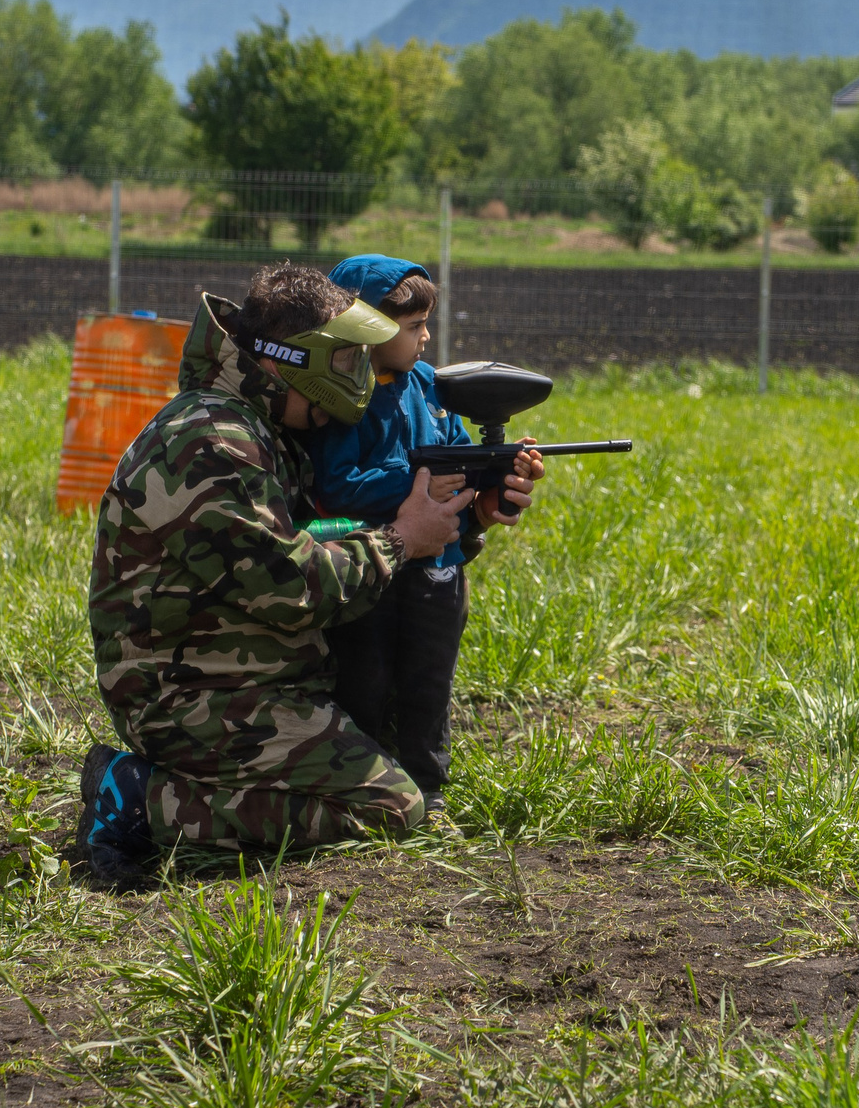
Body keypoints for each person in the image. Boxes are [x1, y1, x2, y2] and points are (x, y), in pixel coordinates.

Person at [74, 263, 541, 886]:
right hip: (191, 698)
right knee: (389, 808)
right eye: (347, 358)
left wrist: (465, 518)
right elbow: (292, 587)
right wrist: (404, 538)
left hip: (253, 676)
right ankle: (140, 798)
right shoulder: (212, 442)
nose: (359, 376)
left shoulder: (264, 426)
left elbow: (330, 536)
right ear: (284, 362)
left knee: (396, 777)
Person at [310, 255, 475, 810]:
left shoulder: (427, 384)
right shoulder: (342, 396)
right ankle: (366, 783)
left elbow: (458, 451)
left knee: (430, 681)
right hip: (371, 564)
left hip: (438, 566)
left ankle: (428, 789)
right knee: (367, 677)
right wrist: (415, 480)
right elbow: (338, 484)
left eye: (427, 323)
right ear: (367, 329)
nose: (426, 338)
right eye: (412, 327)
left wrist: (494, 473)